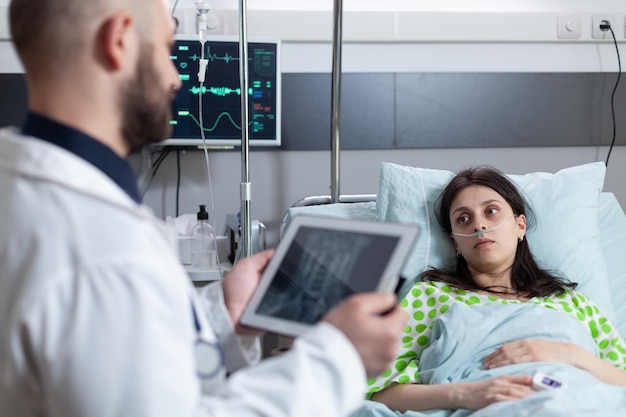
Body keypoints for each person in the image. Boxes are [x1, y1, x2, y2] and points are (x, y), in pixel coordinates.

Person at [0, 1, 408, 416]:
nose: (176, 76)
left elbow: (126, 363)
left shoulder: (20, 190)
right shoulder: (105, 249)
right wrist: (338, 358)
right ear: (119, 41)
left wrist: (220, 316)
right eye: (166, 47)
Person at [365, 166, 626, 414]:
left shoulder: (573, 303)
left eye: (491, 211)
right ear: (455, 242)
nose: (479, 226)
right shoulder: (431, 296)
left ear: (520, 225)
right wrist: (465, 393)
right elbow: (380, 392)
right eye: (463, 219)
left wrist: (572, 354)